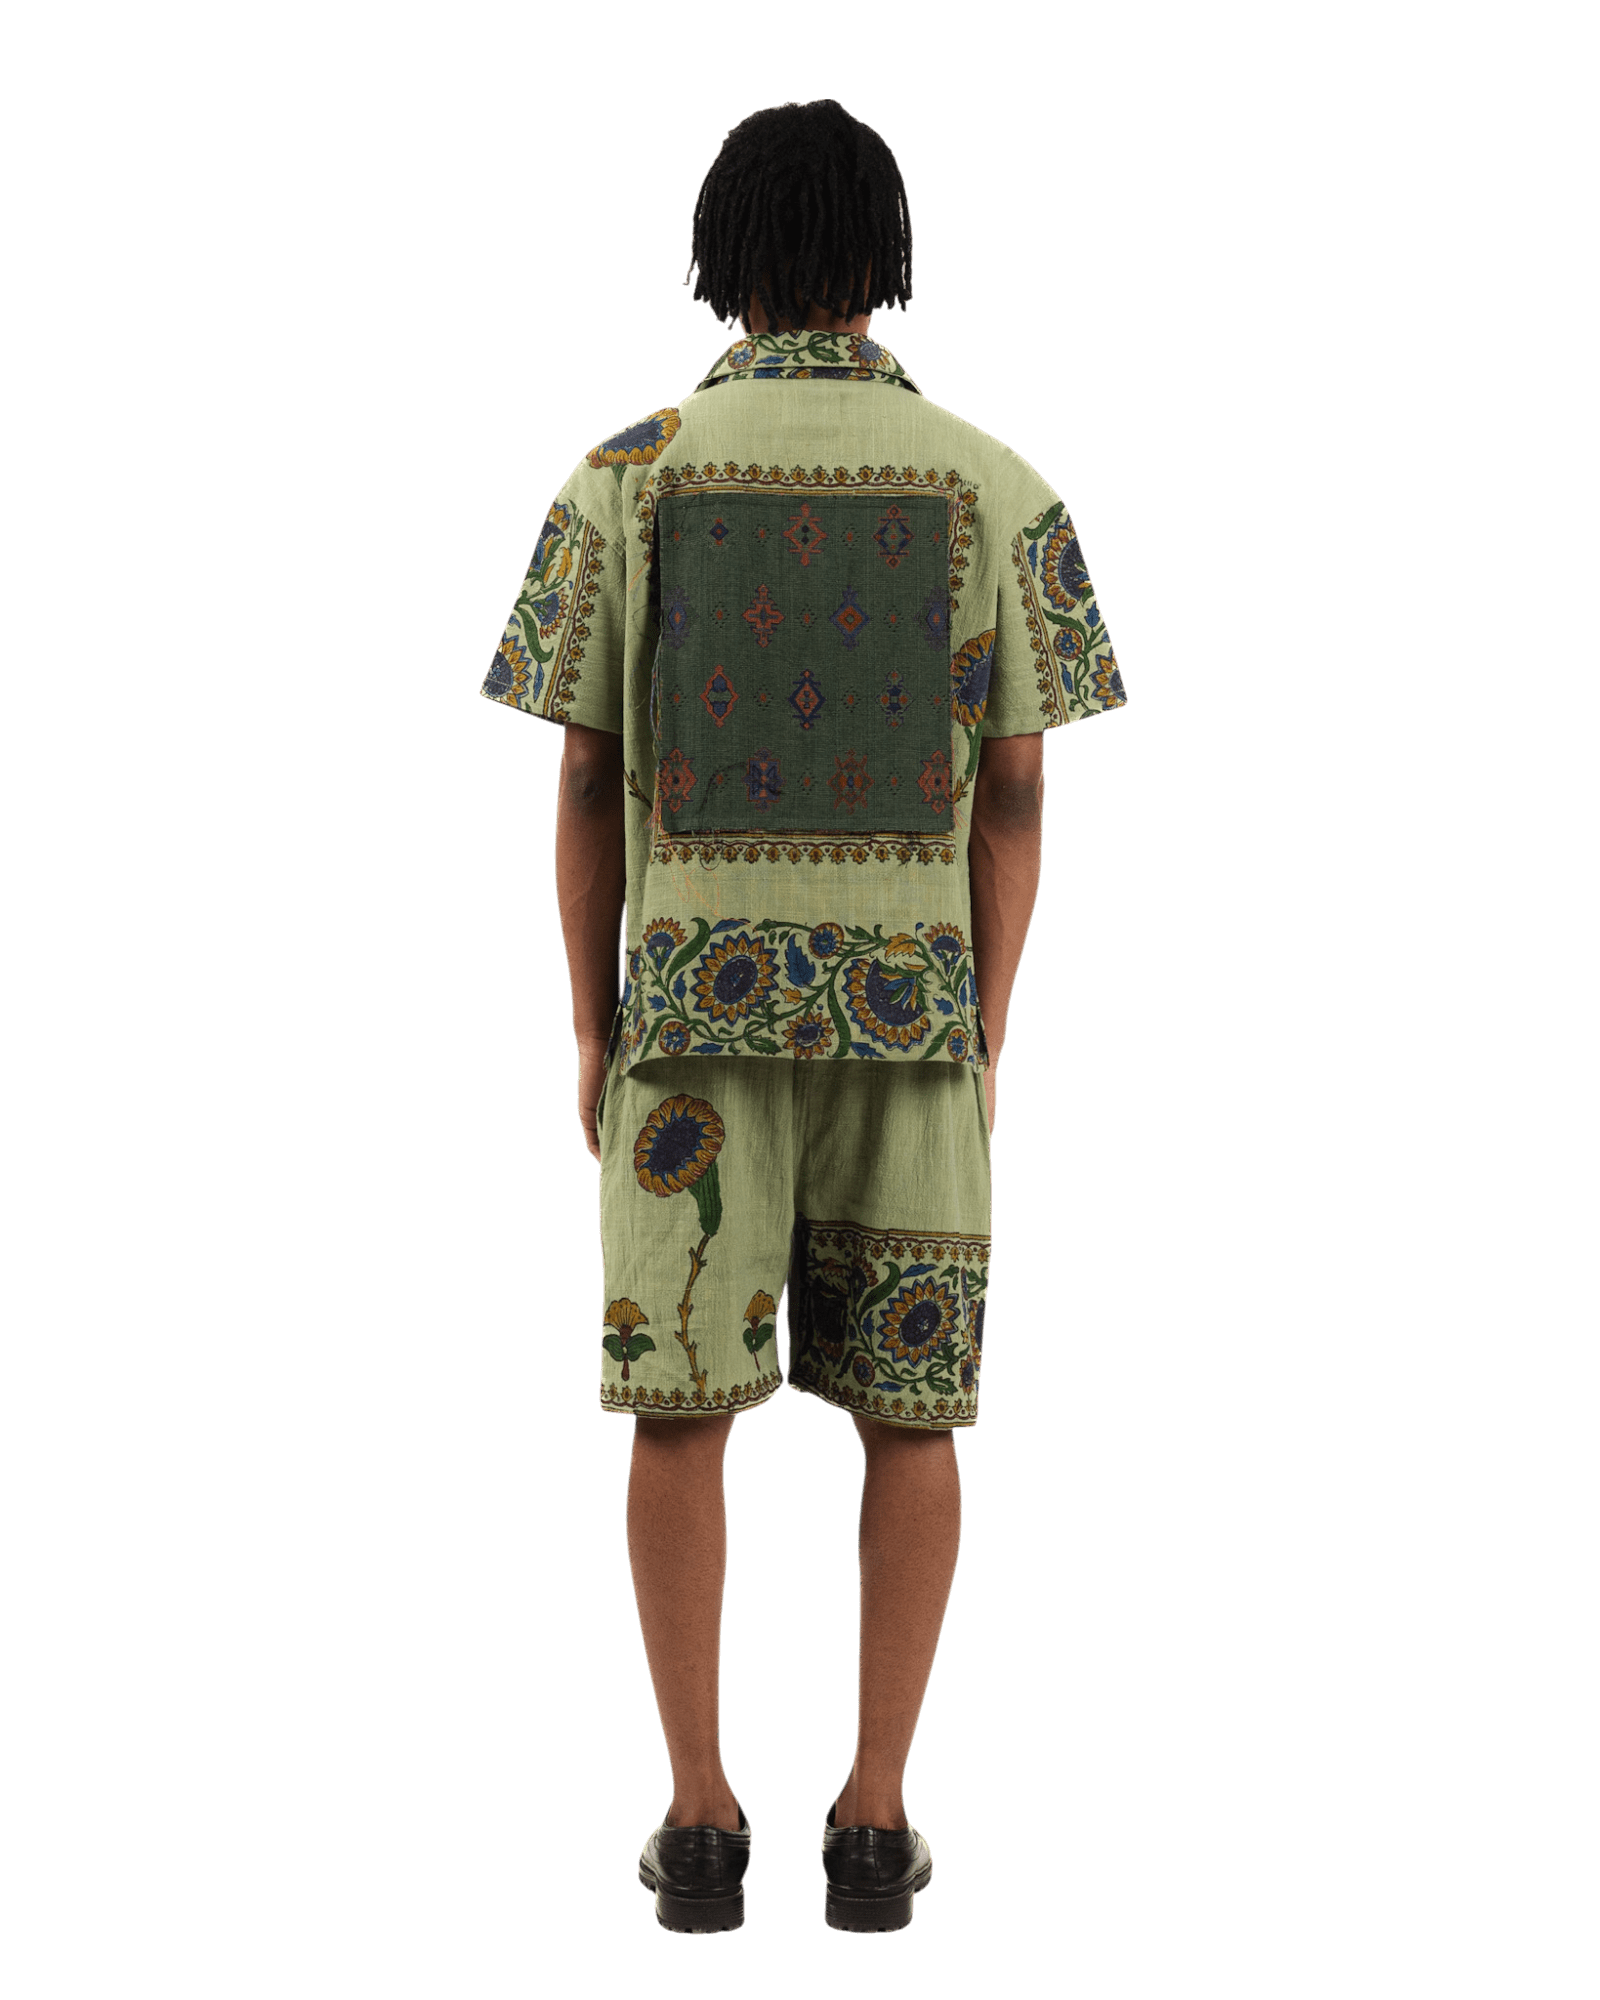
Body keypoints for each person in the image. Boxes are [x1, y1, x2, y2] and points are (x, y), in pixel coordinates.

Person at [478, 98, 1128, 1934]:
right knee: (912, 1416)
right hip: (915, 1021)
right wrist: (987, 1024)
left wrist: (592, 1023)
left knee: (676, 1403)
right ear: (884, 256)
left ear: (722, 256)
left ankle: (697, 1825)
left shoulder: (622, 474)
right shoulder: (1002, 483)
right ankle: (875, 1824)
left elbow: (582, 777)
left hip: (687, 1020)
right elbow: (1018, 798)